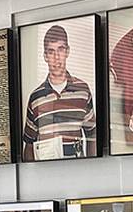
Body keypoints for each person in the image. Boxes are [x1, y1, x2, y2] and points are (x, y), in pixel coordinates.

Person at [22, 23, 97, 160]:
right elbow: (29, 144)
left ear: (67, 51)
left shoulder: (83, 91)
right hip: (46, 174)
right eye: (51, 52)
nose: (56, 58)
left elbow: (92, 136)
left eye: (61, 49)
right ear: (45, 56)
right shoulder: (36, 98)